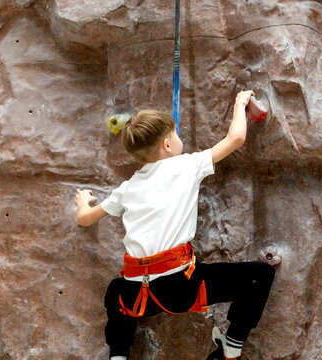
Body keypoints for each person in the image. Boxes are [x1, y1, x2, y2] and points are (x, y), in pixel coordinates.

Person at [74, 90, 275, 360]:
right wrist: (240, 102)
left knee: (114, 293)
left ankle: (118, 356)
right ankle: (231, 347)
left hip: (136, 296)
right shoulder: (186, 165)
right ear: (167, 145)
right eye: (176, 135)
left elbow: (85, 219)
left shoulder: (127, 187)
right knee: (259, 275)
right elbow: (236, 138)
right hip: (180, 289)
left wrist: (82, 201)